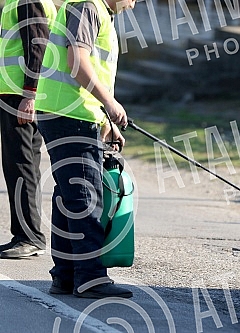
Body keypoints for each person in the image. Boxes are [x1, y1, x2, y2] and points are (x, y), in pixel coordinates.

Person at [34, 0, 136, 298]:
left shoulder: (96, 9)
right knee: (84, 198)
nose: (134, 4)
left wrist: (105, 120)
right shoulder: (87, 6)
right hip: (68, 115)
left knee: (70, 195)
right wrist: (110, 104)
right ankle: (90, 277)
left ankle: (66, 276)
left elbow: (94, 70)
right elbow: (77, 62)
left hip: (71, 112)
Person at [0, 0, 57, 259]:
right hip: (15, 94)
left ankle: (29, 237)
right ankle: (27, 235)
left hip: (19, 96)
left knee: (20, 165)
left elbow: (37, 46)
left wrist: (30, 94)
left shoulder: (28, 0)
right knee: (22, 165)